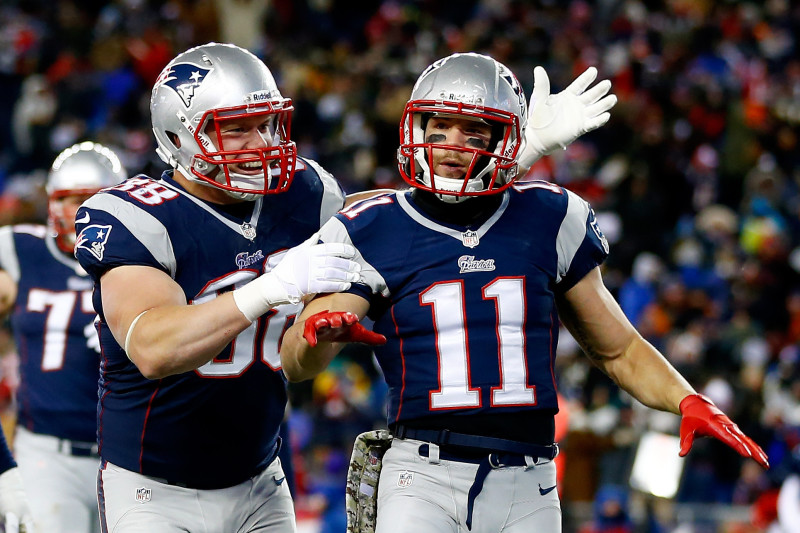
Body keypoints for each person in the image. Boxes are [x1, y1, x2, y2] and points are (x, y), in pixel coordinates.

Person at [279, 52, 770, 533]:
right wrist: (315, 336)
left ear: (507, 141)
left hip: (529, 480)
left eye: (474, 132)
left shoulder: (549, 217)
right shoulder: (374, 225)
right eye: (440, 128)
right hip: (421, 474)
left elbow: (618, 349)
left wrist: (684, 398)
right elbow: (298, 365)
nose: (453, 146)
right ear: (416, 131)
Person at [73, 42, 363, 532]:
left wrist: (508, 165)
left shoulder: (305, 193)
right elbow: (153, 346)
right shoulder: (135, 216)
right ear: (178, 136)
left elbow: (392, 219)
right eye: (236, 129)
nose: (261, 143)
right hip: (154, 488)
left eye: (266, 124)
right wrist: (268, 289)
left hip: (259, 480)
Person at [0, 141, 127, 532]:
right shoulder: (22, 251)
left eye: (96, 200)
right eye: (73, 200)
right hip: (47, 454)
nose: (85, 213)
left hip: (128, 456)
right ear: (53, 205)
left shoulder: (146, 260)